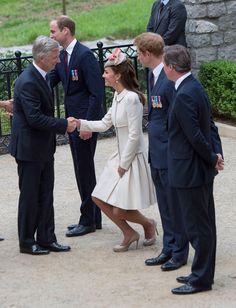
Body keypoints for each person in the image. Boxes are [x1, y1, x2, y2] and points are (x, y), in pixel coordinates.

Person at [76, 48, 157, 252]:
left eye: (106, 72)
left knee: (119, 209)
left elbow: (134, 135)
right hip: (119, 157)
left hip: (131, 159)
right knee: (97, 197)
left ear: (117, 75)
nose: (103, 76)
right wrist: (79, 123)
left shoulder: (131, 98)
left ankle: (148, 224)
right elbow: (104, 124)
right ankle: (129, 233)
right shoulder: (117, 96)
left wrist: (123, 165)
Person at [163, 44, 224, 294]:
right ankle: (200, 272)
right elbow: (209, 126)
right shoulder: (193, 86)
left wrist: (212, 157)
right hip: (198, 168)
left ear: (171, 67)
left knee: (198, 227)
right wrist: (216, 154)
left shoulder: (185, 93)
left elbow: (196, 135)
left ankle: (201, 279)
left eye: (165, 65)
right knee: (203, 224)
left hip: (190, 171)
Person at [10, 36, 75, 255]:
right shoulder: (28, 80)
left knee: (46, 193)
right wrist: (65, 125)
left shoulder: (41, 76)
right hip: (29, 149)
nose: (58, 61)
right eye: (55, 57)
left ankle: (47, 238)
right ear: (41, 57)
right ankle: (27, 242)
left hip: (42, 147)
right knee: (30, 196)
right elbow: (35, 119)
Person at [134, 32, 189, 270]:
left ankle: (179, 251)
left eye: (138, 53)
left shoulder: (168, 80)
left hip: (168, 153)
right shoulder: (154, 76)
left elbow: (174, 119)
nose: (137, 57)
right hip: (157, 152)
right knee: (165, 205)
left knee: (174, 205)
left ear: (147, 54)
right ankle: (169, 246)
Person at [49, 15, 104, 237]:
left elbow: (96, 93)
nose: (51, 35)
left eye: (53, 31)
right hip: (74, 123)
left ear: (66, 31)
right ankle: (94, 217)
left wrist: (88, 125)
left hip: (84, 124)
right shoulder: (62, 56)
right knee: (82, 169)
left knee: (84, 170)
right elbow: (50, 78)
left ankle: (88, 220)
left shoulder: (84, 55)